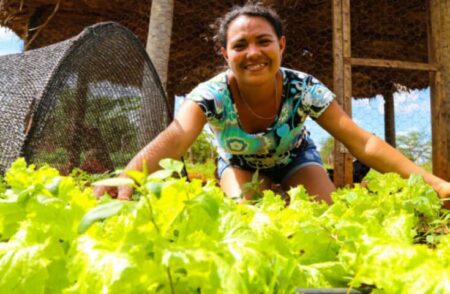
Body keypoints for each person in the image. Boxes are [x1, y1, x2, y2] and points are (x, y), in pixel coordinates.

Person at [94, 3, 450, 205]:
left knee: (322, 212)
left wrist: (437, 184)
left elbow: (363, 142)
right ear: (225, 53)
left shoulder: (304, 88)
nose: (253, 53)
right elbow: (176, 135)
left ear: (281, 44)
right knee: (249, 213)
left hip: (297, 159)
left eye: (263, 41)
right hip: (237, 163)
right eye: (240, 45)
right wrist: (129, 173)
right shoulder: (211, 94)